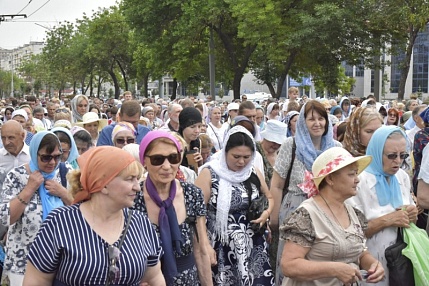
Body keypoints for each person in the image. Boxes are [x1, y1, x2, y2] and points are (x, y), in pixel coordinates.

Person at [23, 147, 165, 285]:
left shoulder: (140, 223)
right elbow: (36, 280)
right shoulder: (61, 222)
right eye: (130, 179)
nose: (137, 187)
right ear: (102, 185)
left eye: (137, 179)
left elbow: (154, 278)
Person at [280, 147, 384, 285]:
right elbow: (289, 265)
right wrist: (335, 270)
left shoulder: (353, 213)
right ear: (330, 179)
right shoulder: (306, 215)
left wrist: (373, 264)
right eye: (351, 174)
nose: (357, 180)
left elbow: (359, 251)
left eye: (356, 174)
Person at [270, 100, 341, 285]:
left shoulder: (336, 149)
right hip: (295, 210)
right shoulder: (291, 145)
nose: (317, 123)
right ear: (303, 122)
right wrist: (274, 218)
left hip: (326, 211)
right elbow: (277, 184)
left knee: (321, 263)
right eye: (311, 119)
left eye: (321, 118)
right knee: (292, 264)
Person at [195, 126, 274, 285]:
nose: (241, 162)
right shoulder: (209, 173)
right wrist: (205, 245)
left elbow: (269, 197)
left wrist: (266, 213)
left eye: (246, 157)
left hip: (253, 242)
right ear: (225, 152)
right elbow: (198, 213)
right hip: (221, 244)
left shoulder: (253, 172)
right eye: (236, 156)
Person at [134, 131, 212, 285]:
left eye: (173, 158)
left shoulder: (192, 193)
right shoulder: (133, 198)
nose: (167, 166)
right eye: (157, 159)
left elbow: (201, 249)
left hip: (188, 279)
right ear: (144, 161)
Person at [346, 126, 418, 286]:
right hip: (370, 267)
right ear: (377, 152)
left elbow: (410, 212)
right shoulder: (358, 181)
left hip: (400, 263)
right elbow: (349, 233)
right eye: (391, 156)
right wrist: (388, 220)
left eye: (403, 155)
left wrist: (412, 214)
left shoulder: (402, 177)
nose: (398, 161)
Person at [0, 131, 72, 285]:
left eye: (57, 156)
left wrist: (63, 193)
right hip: (23, 261)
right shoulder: (16, 176)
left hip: (61, 260)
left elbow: (84, 211)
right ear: (34, 153)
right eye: (46, 157)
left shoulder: (66, 174)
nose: (52, 162)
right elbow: (7, 218)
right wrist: (29, 189)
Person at [178, 107, 203, 173]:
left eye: (199, 126)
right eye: (192, 127)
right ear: (183, 126)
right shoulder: (175, 142)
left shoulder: (198, 142)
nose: (197, 131)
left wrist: (200, 164)